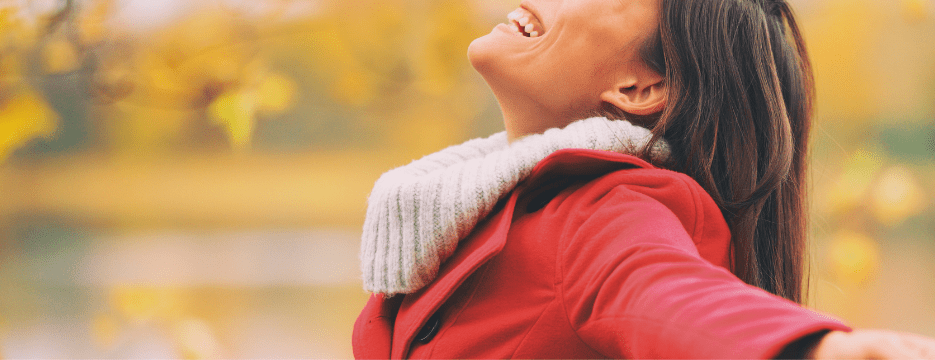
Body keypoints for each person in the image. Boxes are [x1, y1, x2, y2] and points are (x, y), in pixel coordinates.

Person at [353, 0, 935, 358]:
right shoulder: (466, 210)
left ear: (639, 88)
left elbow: (666, 299)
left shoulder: (608, 207)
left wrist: (818, 351)